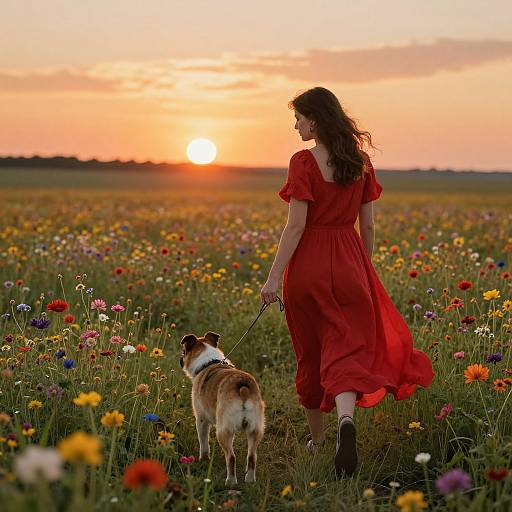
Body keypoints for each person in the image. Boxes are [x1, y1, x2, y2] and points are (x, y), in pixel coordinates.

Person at [260, 86, 435, 478]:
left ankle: (318, 440)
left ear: (315, 120)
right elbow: (368, 224)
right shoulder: (359, 163)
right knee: (346, 348)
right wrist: (362, 265)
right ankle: (345, 420)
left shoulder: (303, 162)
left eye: (299, 118)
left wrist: (273, 277)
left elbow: (296, 226)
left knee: (310, 351)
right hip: (350, 261)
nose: (296, 125)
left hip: (308, 266)